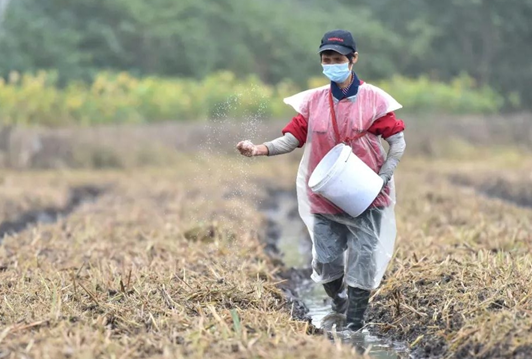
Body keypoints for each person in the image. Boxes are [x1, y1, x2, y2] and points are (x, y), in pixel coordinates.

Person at [236, 29, 406, 332]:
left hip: (367, 193)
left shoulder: (374, 100)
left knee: (362, 259)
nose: (332, 63)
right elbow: (291, 139)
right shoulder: (314, 101)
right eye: (326, 59)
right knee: (326, 263)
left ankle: (354, 325)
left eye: (338, 58)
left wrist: (384, 176)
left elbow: (398, 142)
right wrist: (258, 149)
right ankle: (339, 301)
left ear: (353, 59)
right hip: (325, 195)